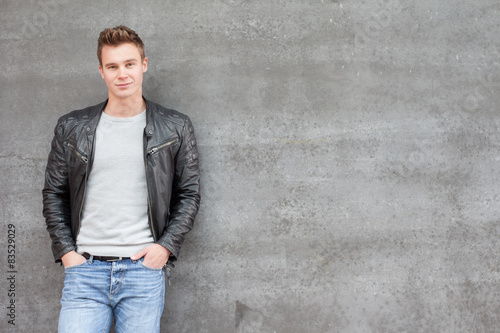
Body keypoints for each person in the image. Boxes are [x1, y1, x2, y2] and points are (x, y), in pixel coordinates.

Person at [42, 25, 200, 333]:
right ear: (101, 71)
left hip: (143, 272)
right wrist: (66, 253)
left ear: (143, 64)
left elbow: (189, 194)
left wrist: (165, 247)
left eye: (129, 64)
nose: (122, 74)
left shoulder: (175, 127)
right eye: (112, 66)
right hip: (85, 271)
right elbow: (54, 194)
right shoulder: (71, 127)